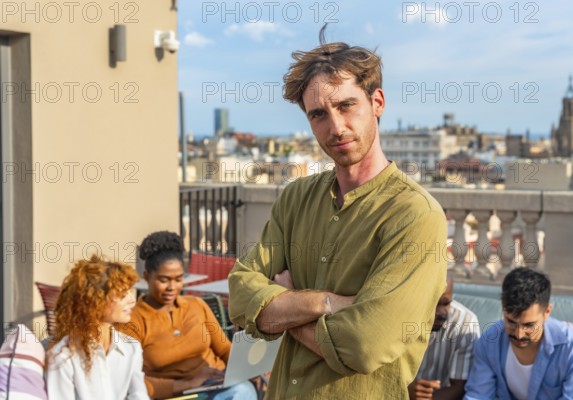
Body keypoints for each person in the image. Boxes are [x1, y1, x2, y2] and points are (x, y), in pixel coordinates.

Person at [228, 30, 448, 399]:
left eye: (346, 105)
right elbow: (239, 295)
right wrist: (326, 303)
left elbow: (365, 344)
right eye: (318, 114)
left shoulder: (415, 215)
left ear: (377, 101)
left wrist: (285, 302)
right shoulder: (296, 197)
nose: (336, 127)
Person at [117, 231, 257, 400]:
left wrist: (248, 368)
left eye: (178, 279)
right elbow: (130, 381)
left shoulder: (196, 305)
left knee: (243, 390)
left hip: (215, 385)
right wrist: (188, 384)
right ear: (146, 277)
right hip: (174, 394)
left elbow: (225, 349)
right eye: (164, 280)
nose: (172, 287)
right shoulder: (132, 321)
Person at [464, 267, 573, 399]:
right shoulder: (489, 342)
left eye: (529, 325)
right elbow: (478, 394)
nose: (519, 334)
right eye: (511, 322)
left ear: (547, 312)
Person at [46, 255, 149, 400]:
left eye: (130, 292)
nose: (132, 300)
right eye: (122, 294)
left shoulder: (132, 348)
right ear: (95, 300)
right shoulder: (63, 357)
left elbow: (138, 395)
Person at [408, 276, 480, 400]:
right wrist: (405, 390)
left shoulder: (465, 323)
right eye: (434, 303)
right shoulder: (402, 316)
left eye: (446, 303)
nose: (441, 312)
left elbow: (460, 387)